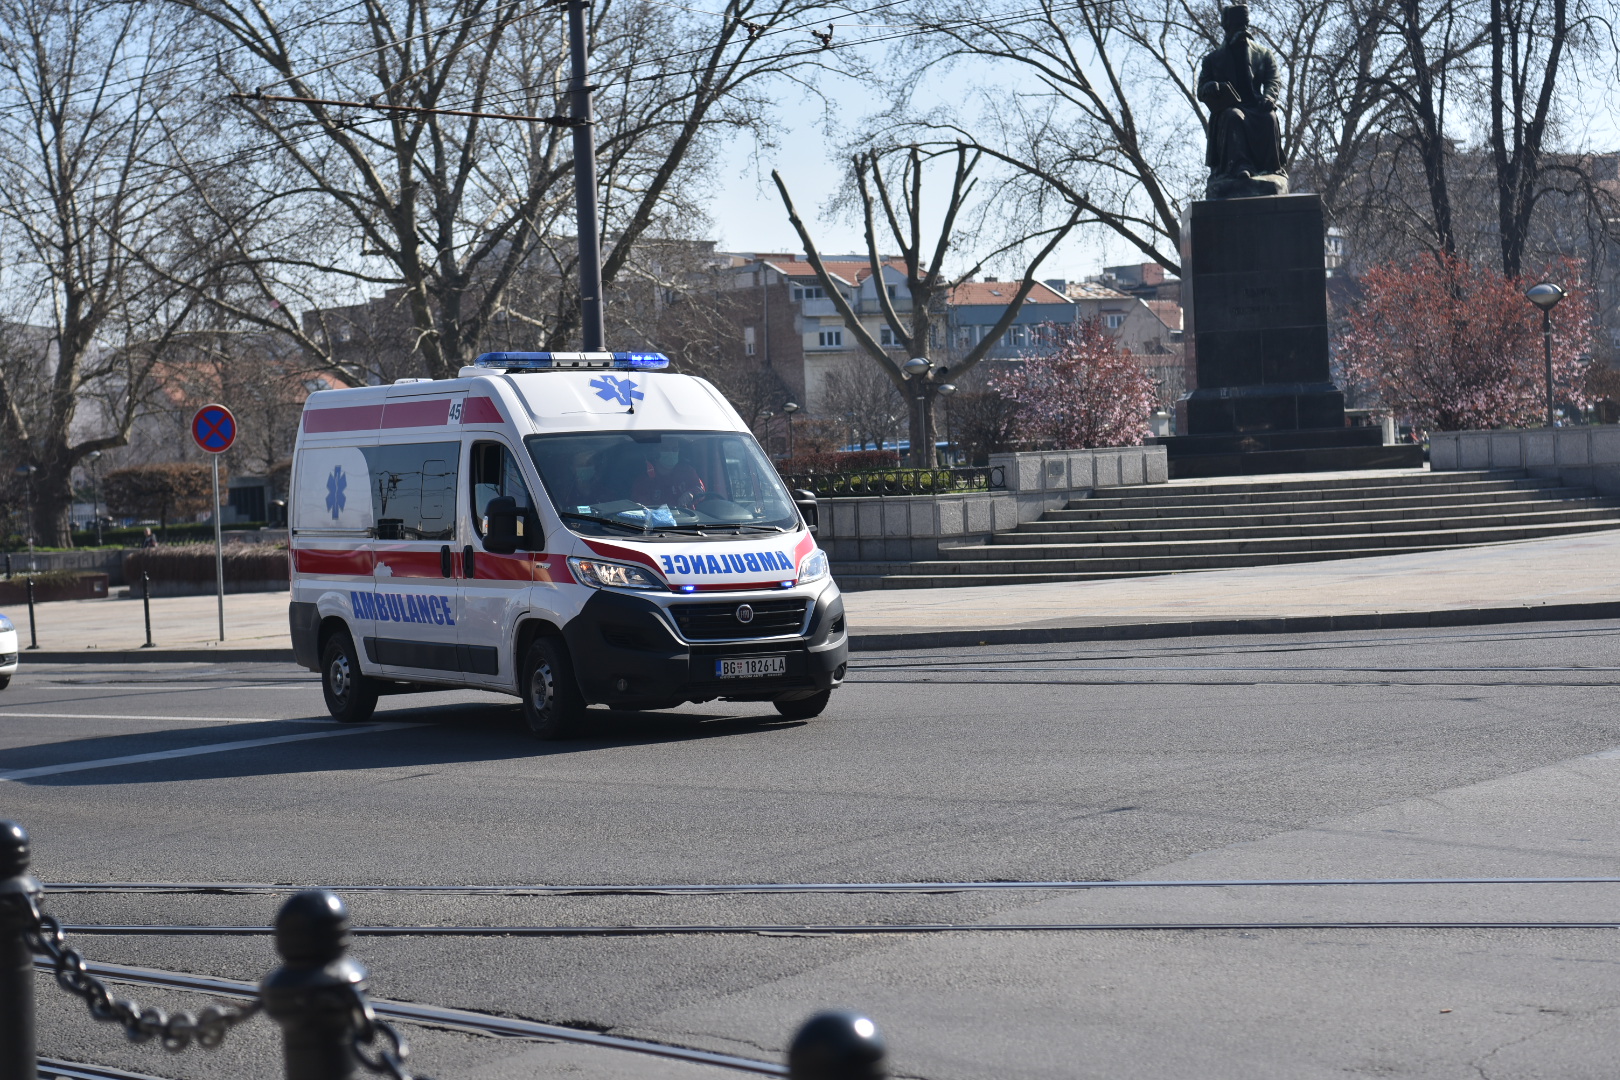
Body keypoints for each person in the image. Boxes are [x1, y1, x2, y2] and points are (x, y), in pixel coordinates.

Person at [1196, 3, 1286, 198]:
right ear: (1227, 29)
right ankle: (1239, 166)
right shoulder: (1212, 59)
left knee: (1269, 117)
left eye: (1244, 27)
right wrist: (1211, 87)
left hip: (1256, 105)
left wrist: (1269, 96)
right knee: (1233, 116)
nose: (1242, 32)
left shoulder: (1263, 53)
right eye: (1237, 27)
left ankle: (1270, 168)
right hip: (1229, 108)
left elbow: (1273, 79)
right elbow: (1201, 90)